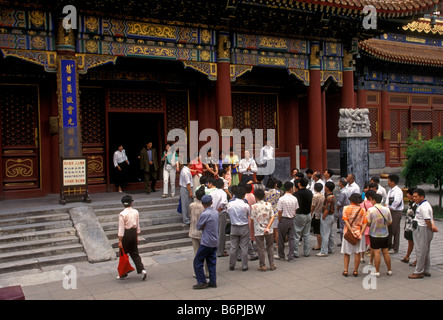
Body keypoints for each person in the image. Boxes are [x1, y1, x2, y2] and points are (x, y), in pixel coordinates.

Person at [408, 188, 439, 279]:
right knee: (425, 250)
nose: (414, 198)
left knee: (420, 250)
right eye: (413, 196)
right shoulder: (420, 205)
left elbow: (427, 220)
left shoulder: (424, 207)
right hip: (421, 228)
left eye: (416, 196)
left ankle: (419, 271)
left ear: (422, 197)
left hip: (423, 229)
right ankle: (426, 270)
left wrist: (431, 228)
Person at [117, 195, 147, 281]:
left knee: (123, 254)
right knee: (135, 253)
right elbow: (137, 225)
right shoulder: (135, 212)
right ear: (131, 203)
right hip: (133, 233)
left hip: (126, 234)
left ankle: (123, 273)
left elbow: (121, 228)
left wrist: (120, 240)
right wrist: (137, 236)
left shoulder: (122, 214)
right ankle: (142, 270)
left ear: (123, 204)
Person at [193, 195, 219, 289]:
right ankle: (213, 281)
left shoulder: (205, 214)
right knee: (211, 262)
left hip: (206, 241)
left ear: (203, 204)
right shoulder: (215, 212)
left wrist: (204, 226)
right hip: (214, 241)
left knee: (197, 261)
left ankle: (202, 281)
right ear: (211, 203)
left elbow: (198, 226)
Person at [341, 193, 367, 277]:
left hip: (348, 233)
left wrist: (351, 231)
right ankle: (355, 271)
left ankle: (346, 270)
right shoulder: (362, 210)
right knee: (357, 253)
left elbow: (346, 221)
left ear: (351, 200)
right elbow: (365, 223)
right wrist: (361, 233)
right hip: (358, 233)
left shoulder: (346, 208)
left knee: (346, 253)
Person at [366, 193, 392, 277]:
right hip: (385, 234)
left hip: (374, 234)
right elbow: (390, 221)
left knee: (377, 252)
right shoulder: (387, 209)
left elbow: (368, 223)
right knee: (386, 252)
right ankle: (389, 270)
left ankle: (377, 271)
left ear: (373, 200)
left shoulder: (371, 210)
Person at [250, 189, 276, 271]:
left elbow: (252, 219)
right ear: (264, 196)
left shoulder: (253, 206)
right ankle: (272, 264)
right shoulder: (268, 204)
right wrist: (268, 226)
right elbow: (272, 216)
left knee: (260, 248)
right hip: (269, 229)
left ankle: (262, 265)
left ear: (255, 196)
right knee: (270, 247)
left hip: (258, 229)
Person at [227, 186, 252, 271]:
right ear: (244, 195)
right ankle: (244, 266)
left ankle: (231, 265)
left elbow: (228, 213)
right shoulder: (245, 205)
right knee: (244, 247)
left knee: (233, 247)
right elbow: (250, 215)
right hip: (244, 227)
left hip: (234, 226)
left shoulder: (230, 204)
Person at [275, 181, 299, 262]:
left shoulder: (281, 199)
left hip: (283, 219)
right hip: (291, 219)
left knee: (281, 239)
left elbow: (279, 211)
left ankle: (281, 255)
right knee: (291, 239)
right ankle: (291, 256)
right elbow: (295, 210)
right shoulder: (294, 198)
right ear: (291, 188)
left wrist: (279, 219)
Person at [188, 186, 208, 277]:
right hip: (203, 233)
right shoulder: (205, 208)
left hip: (193, 231)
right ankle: (207, 272)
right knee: (206, 254)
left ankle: (198, 272)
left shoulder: (192, 205)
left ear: (196, 196)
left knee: (196, 253)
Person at [293, 178, 313, 258]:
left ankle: (296, 252)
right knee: (306, 234)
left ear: (299, 184)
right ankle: (307, 252)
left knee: (297, 234)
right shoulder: (310, 192)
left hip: (299, 214)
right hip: (308, 214)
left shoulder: (296, 194)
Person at [210, 179, 229, 258]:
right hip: (220, 213)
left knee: (215, 231)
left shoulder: (212, 193)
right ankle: (220, 250)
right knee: (221, 232)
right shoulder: (223, 193)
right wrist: (220, 207)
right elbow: (224, 202)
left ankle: (215, 248)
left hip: (213, 212)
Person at [317, 181, 336, 257]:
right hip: (331, 216)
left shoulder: (329, 197)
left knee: (325, 234)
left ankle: (324, 251)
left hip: (327, 216)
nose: (324, 188)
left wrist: (323, 216)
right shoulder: (332, 196)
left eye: (325, 187)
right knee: (330, 233)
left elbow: (327, 208)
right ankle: (331, 248)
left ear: (327, 188)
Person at [386, 174, 404, 254]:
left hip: (395, 212)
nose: (388, 182)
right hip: (389, 211)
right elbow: (387, 201)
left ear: (393, 182)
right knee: (389, 229)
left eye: (389, 181)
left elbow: (397, 201)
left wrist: (390, 208)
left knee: (395, 230)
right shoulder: (390, 190)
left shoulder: (398, 191)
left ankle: (395, 247)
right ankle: (389, 245)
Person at [265, 178, 282, 250]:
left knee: (269, 230)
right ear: (276, 184)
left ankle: (269, 245)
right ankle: (277, 245)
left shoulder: (265, 193)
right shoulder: (278, 193)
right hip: (276, 212)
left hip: (268, 213)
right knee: (276, 230)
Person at [402, 188, 417, 265]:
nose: (407, 195)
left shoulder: (416, 205)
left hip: (414, 227)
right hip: (408, 226)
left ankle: (418, 260)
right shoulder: (410, 203)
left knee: (416, 243)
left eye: (408, 194)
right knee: (410, 242)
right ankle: (407, 256)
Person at [336, 177, 350, 247]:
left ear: (340, 183)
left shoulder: (343, 192)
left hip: (343, 210)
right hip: (348, 209)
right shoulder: (348, 190)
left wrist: (337, 209)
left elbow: (339, 203)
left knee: (342, 227)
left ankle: (343, 241)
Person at [179, 160, 193, 225]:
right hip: (186, 189)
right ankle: (186, 220)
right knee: (186, 204)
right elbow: (188, 183)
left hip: (185, 188)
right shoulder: (186, 171)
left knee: (186, 204)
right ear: (189, 163)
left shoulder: (185, 169)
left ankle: (187, 218)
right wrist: (190, 192)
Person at [311, 183, 324, 251]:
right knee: (320, 230)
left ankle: (319, 244)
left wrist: (311, 212)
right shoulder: (323, 196)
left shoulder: (315, 196)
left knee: (317, 231)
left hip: (315, 214)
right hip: (320, 213)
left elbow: (313, 206)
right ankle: (320, 244)